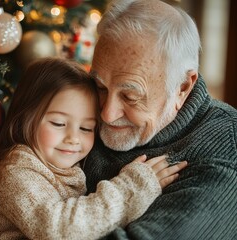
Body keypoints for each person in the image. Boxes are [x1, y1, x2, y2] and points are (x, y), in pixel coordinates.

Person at [0, 57, 187, 240]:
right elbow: (58, 229)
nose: (74, 138)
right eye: (58, 124)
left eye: (86, 128)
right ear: (25, 118)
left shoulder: (67, 166)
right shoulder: (15, 172)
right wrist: (129, 190)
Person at [84, 0, 237, 239]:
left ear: (183, 87)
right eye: (100, 87)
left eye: (130, 96)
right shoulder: (74, 106)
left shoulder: (224, 154)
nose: (106, 114)